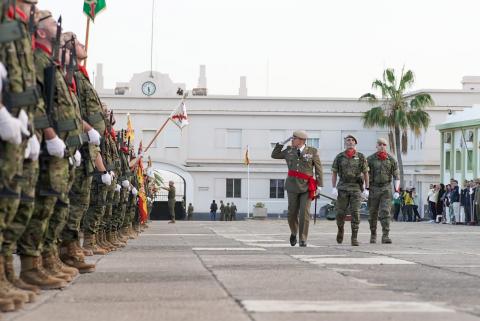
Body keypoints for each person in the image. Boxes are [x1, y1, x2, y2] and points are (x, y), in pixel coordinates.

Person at [271, 130, 323, 247]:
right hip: (292, 185)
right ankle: (294, 232)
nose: (292, 140)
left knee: (304, 213)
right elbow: (274, 155)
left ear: (301, 140)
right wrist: (281, 143)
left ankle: (303, 238)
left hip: (307, 187)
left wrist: (319, 185)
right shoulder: (289, 150)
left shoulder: (312, 151)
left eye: (294, 138)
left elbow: (318, 169)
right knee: (291, 213)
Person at [331, 134, 368, 246]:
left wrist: (367, 188)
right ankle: (340, 229)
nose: (350, 142)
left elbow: (366, 173)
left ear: (355, 143)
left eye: (352, 140)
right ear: (345, 143)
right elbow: (334, 173)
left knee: (355, 212)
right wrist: (333, 188)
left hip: (356, 188)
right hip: (342, 187)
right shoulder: (339, 157)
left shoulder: (361, 157)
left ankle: (354, 237)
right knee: (340, 212)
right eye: (348, 140)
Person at [366, 138, 399, 244]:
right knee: (372, 213)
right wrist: (365, 188)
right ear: (376, 146)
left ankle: (385, 235)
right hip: (373, 188)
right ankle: (373, 235)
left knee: (385, 212)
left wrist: (397, 190)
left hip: (386, 188)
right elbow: (365, 175)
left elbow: (396, 176)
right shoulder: (370, 159)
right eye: (380, 144)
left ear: (386, 146)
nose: (382, 146)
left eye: (384, 144)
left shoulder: (391, 159)